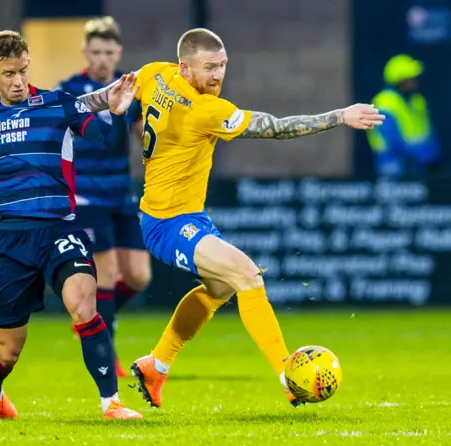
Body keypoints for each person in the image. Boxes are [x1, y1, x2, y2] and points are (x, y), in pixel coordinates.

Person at [78, 28, 384, 408]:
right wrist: (339, 116)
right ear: (184, 67)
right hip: (167, 222)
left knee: (219, 289)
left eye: (222, 66)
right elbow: (276, 128)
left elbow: (104, 97)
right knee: (247, 275)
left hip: (185, 216)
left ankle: (157, 364)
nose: (218, 75)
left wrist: (74, 109)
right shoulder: (206, 109)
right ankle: (288, 376)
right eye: (209, 67)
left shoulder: (155, 74)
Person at [0, 30, 142, 420]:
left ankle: (111, 403)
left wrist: (115, 114)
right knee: (8, 349)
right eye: (8, 73)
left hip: (59, 230)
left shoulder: (57, 104)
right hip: (11, 240)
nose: (17, 81)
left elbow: (103, 138)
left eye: (23, 71)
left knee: (83, 303)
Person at [56, 17, 151, 378]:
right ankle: (105, 348)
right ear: (85, 52)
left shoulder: (129, 87)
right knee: (107, 273)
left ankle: (91, 318)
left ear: (118, 53)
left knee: (139, 277)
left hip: (121, 196)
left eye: (108, 52)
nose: (102, 59)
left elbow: (144, 136)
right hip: (86, 198)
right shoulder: (71, 91)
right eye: (95, 51)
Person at [366, 54, 440, 178]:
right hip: (393, 162)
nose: (414, 82)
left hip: (421, 164)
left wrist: (430, 155)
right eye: (410, 79)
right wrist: (418, 154)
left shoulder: (418, 101)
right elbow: (392, 140)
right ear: (399, 80)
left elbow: (429, 132)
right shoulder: (384, 102)